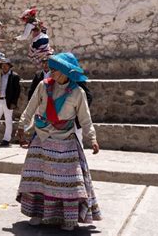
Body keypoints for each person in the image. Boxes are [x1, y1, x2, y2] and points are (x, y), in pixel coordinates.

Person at [16, 52, 102, 231]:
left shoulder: (78, 92)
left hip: (65, 141)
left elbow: (85, 119)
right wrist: (21, 126)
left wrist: (92, 138)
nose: (51, 72)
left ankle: (68, 218)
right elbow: (30, 108)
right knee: (37, 179)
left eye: (55, 69)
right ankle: (37, 213)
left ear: (65, 71)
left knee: (66, 182)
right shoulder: (43, 86)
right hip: (42, 138)